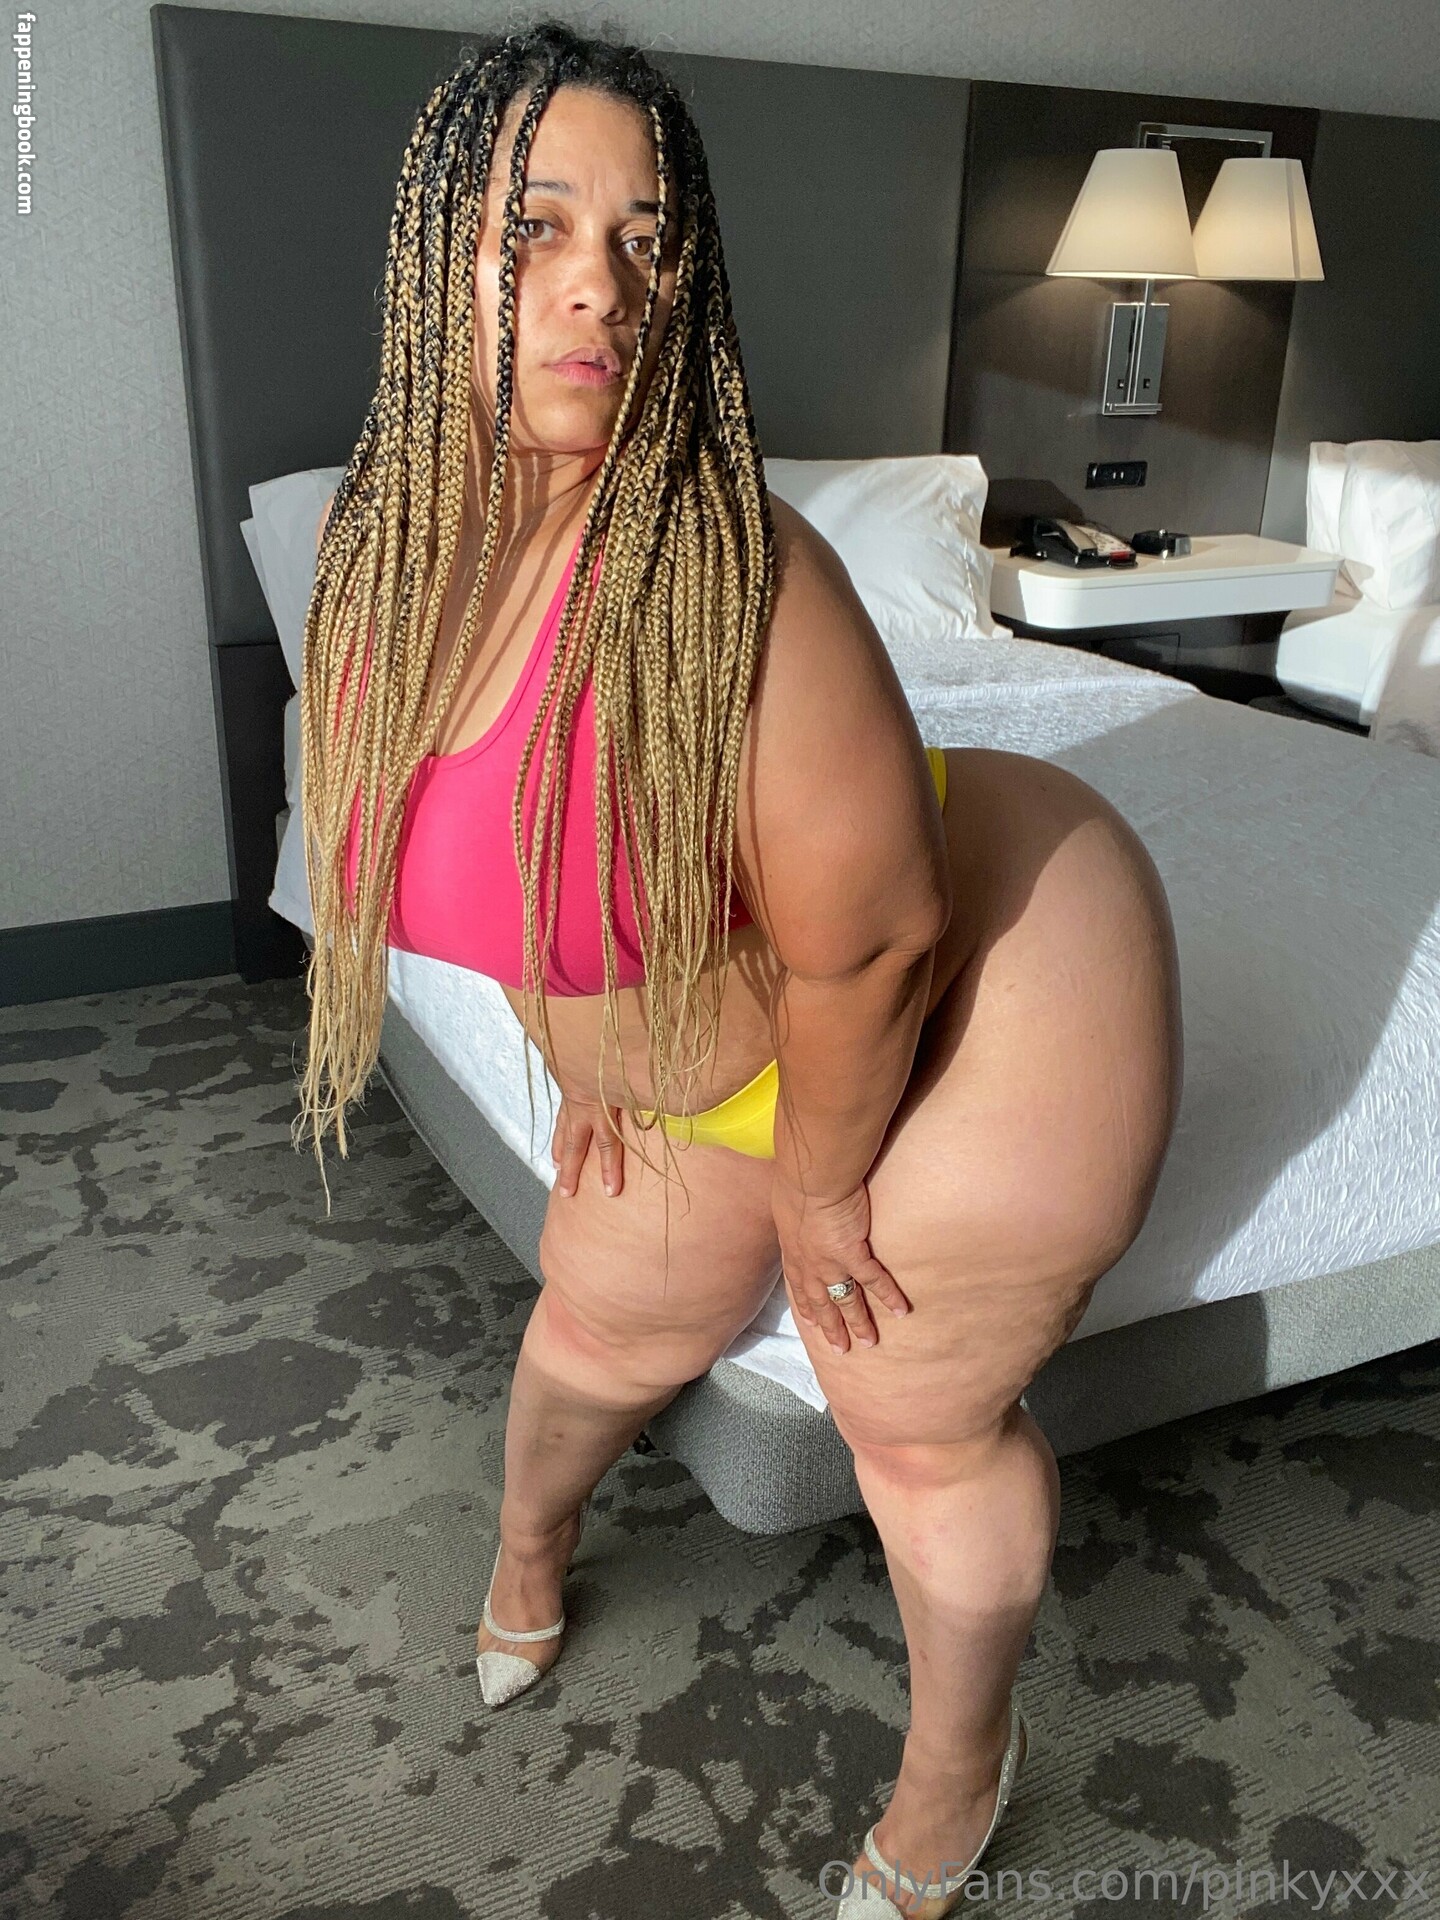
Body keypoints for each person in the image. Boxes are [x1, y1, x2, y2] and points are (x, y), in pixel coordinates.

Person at [294, 21, 1183, 1917]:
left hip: (990, 957)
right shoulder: (378, 559)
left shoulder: (744, 575)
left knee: (911, 1409)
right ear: (433, 253)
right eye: (535, 227)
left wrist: (823, 1186)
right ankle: (526, 1555)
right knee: (605, 1322)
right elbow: (508, 872)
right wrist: (591, 1061)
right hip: (745, 1009)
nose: (598, 286)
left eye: (646, 239)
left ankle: (957, 1769)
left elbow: (877, 945)